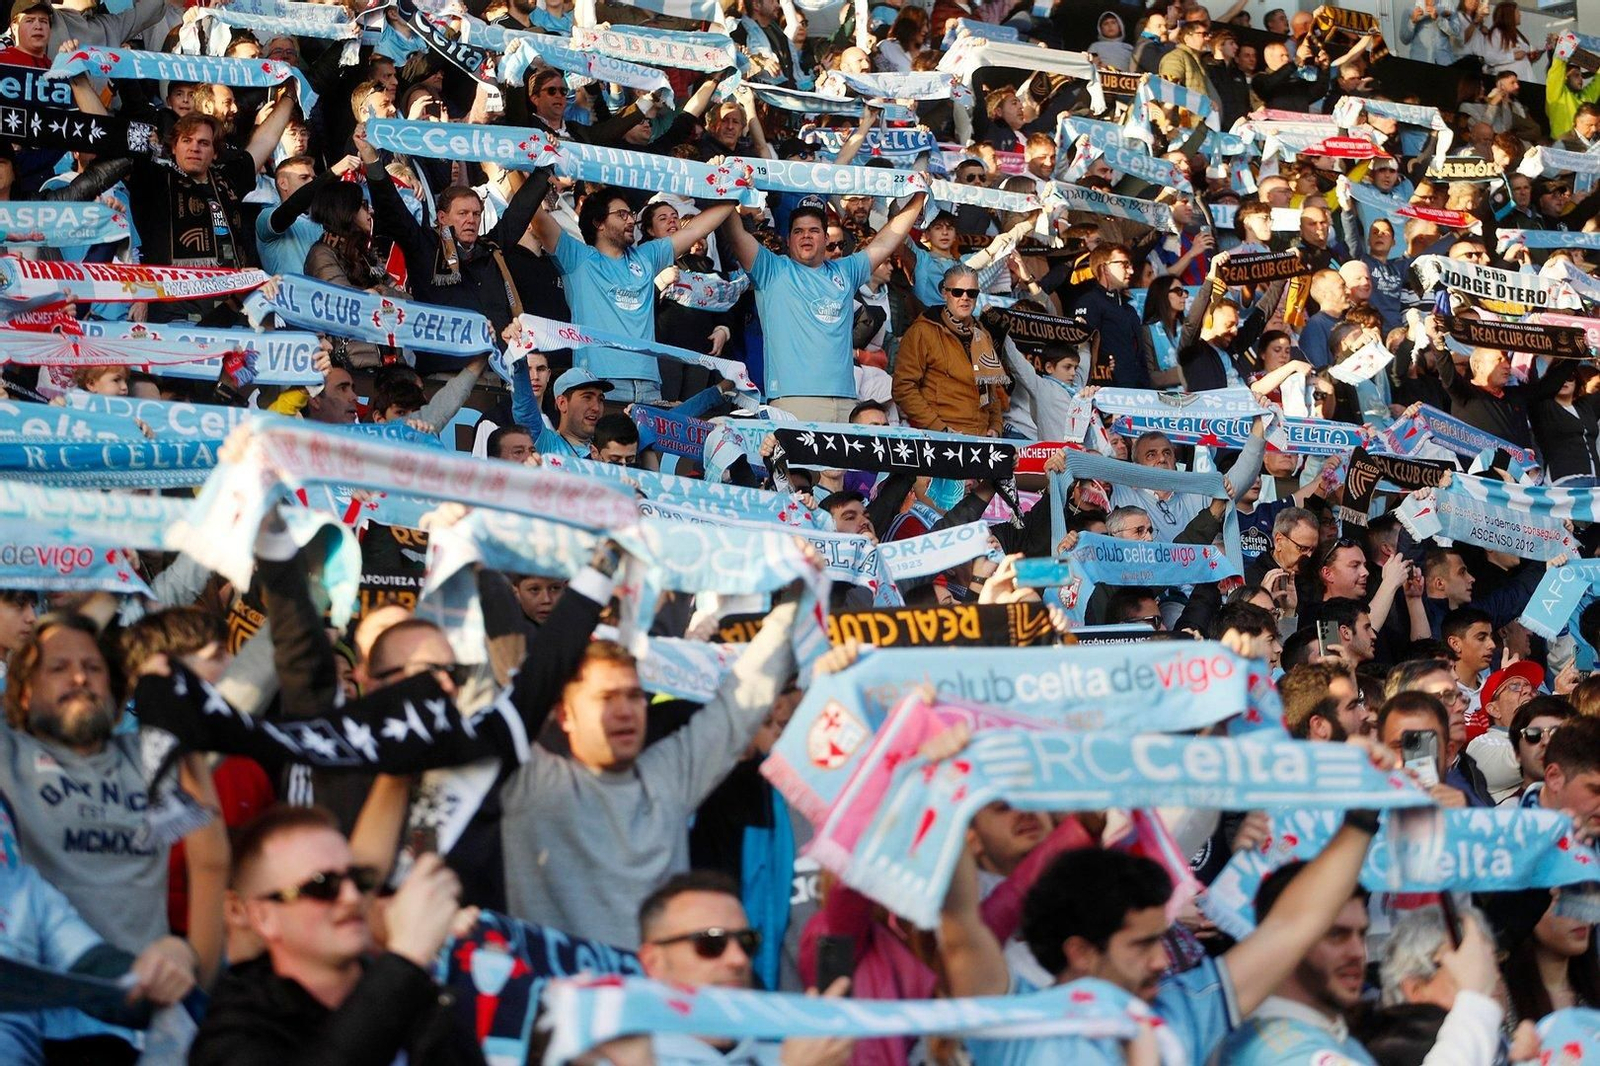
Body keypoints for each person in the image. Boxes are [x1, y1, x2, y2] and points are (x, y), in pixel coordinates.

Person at [190, 806, 480, 1065]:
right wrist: (404, 958)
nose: (352, 897)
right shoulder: (234, 1030)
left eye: (358, 878)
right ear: (263, 918)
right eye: (322, 886)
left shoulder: (417, 996)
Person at [720, 192, 927, 421]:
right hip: (795, 401)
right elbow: (736, 235)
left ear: (826, 239)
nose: (806, 236)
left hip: (848, 401)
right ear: (788, 240)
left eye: (814, 231)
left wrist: (919, 196)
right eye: (798, 231)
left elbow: (888, 239)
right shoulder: (771, 270)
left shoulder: (846, 271)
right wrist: (726, 186)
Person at [533, 188, 735, 405]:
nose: (630, 220)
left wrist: (733, 187)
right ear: (598, 223)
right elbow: (536, 217)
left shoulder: (647, 256)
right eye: (621, 215)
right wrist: (530, 169)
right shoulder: (578, 258)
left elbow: (698, 228)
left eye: (631, 214)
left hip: (650, 386)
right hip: (599, 384)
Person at [637, 871, 854, 1062]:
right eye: (712, 942)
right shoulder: (619, 1059)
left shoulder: (793, 1056)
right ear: (653, 962)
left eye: (747, 941)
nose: (738, 958)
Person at [1216, 865, 1371, 1064]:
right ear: (1283, 940)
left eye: (1362, 934)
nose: (1358, 952)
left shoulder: (1330, 1034)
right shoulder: (1282, 1054)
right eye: (1336, 935)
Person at [892, 266, 1006, 436]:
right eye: (958, 292)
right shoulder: (923, 331)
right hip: (940, 438)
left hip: (982, 439)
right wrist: (940, 428)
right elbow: (903, 387)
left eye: (972, 293)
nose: (965, 298)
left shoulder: (983, 334)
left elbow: (992, 391)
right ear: (945, 293)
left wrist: (996, 427)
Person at [536, 369, 609, 459]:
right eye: (587, 397)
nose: (596, 408)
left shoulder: (608, 449)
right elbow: (524, 411)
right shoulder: (547, 443)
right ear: (562, 403)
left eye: (600, 399)